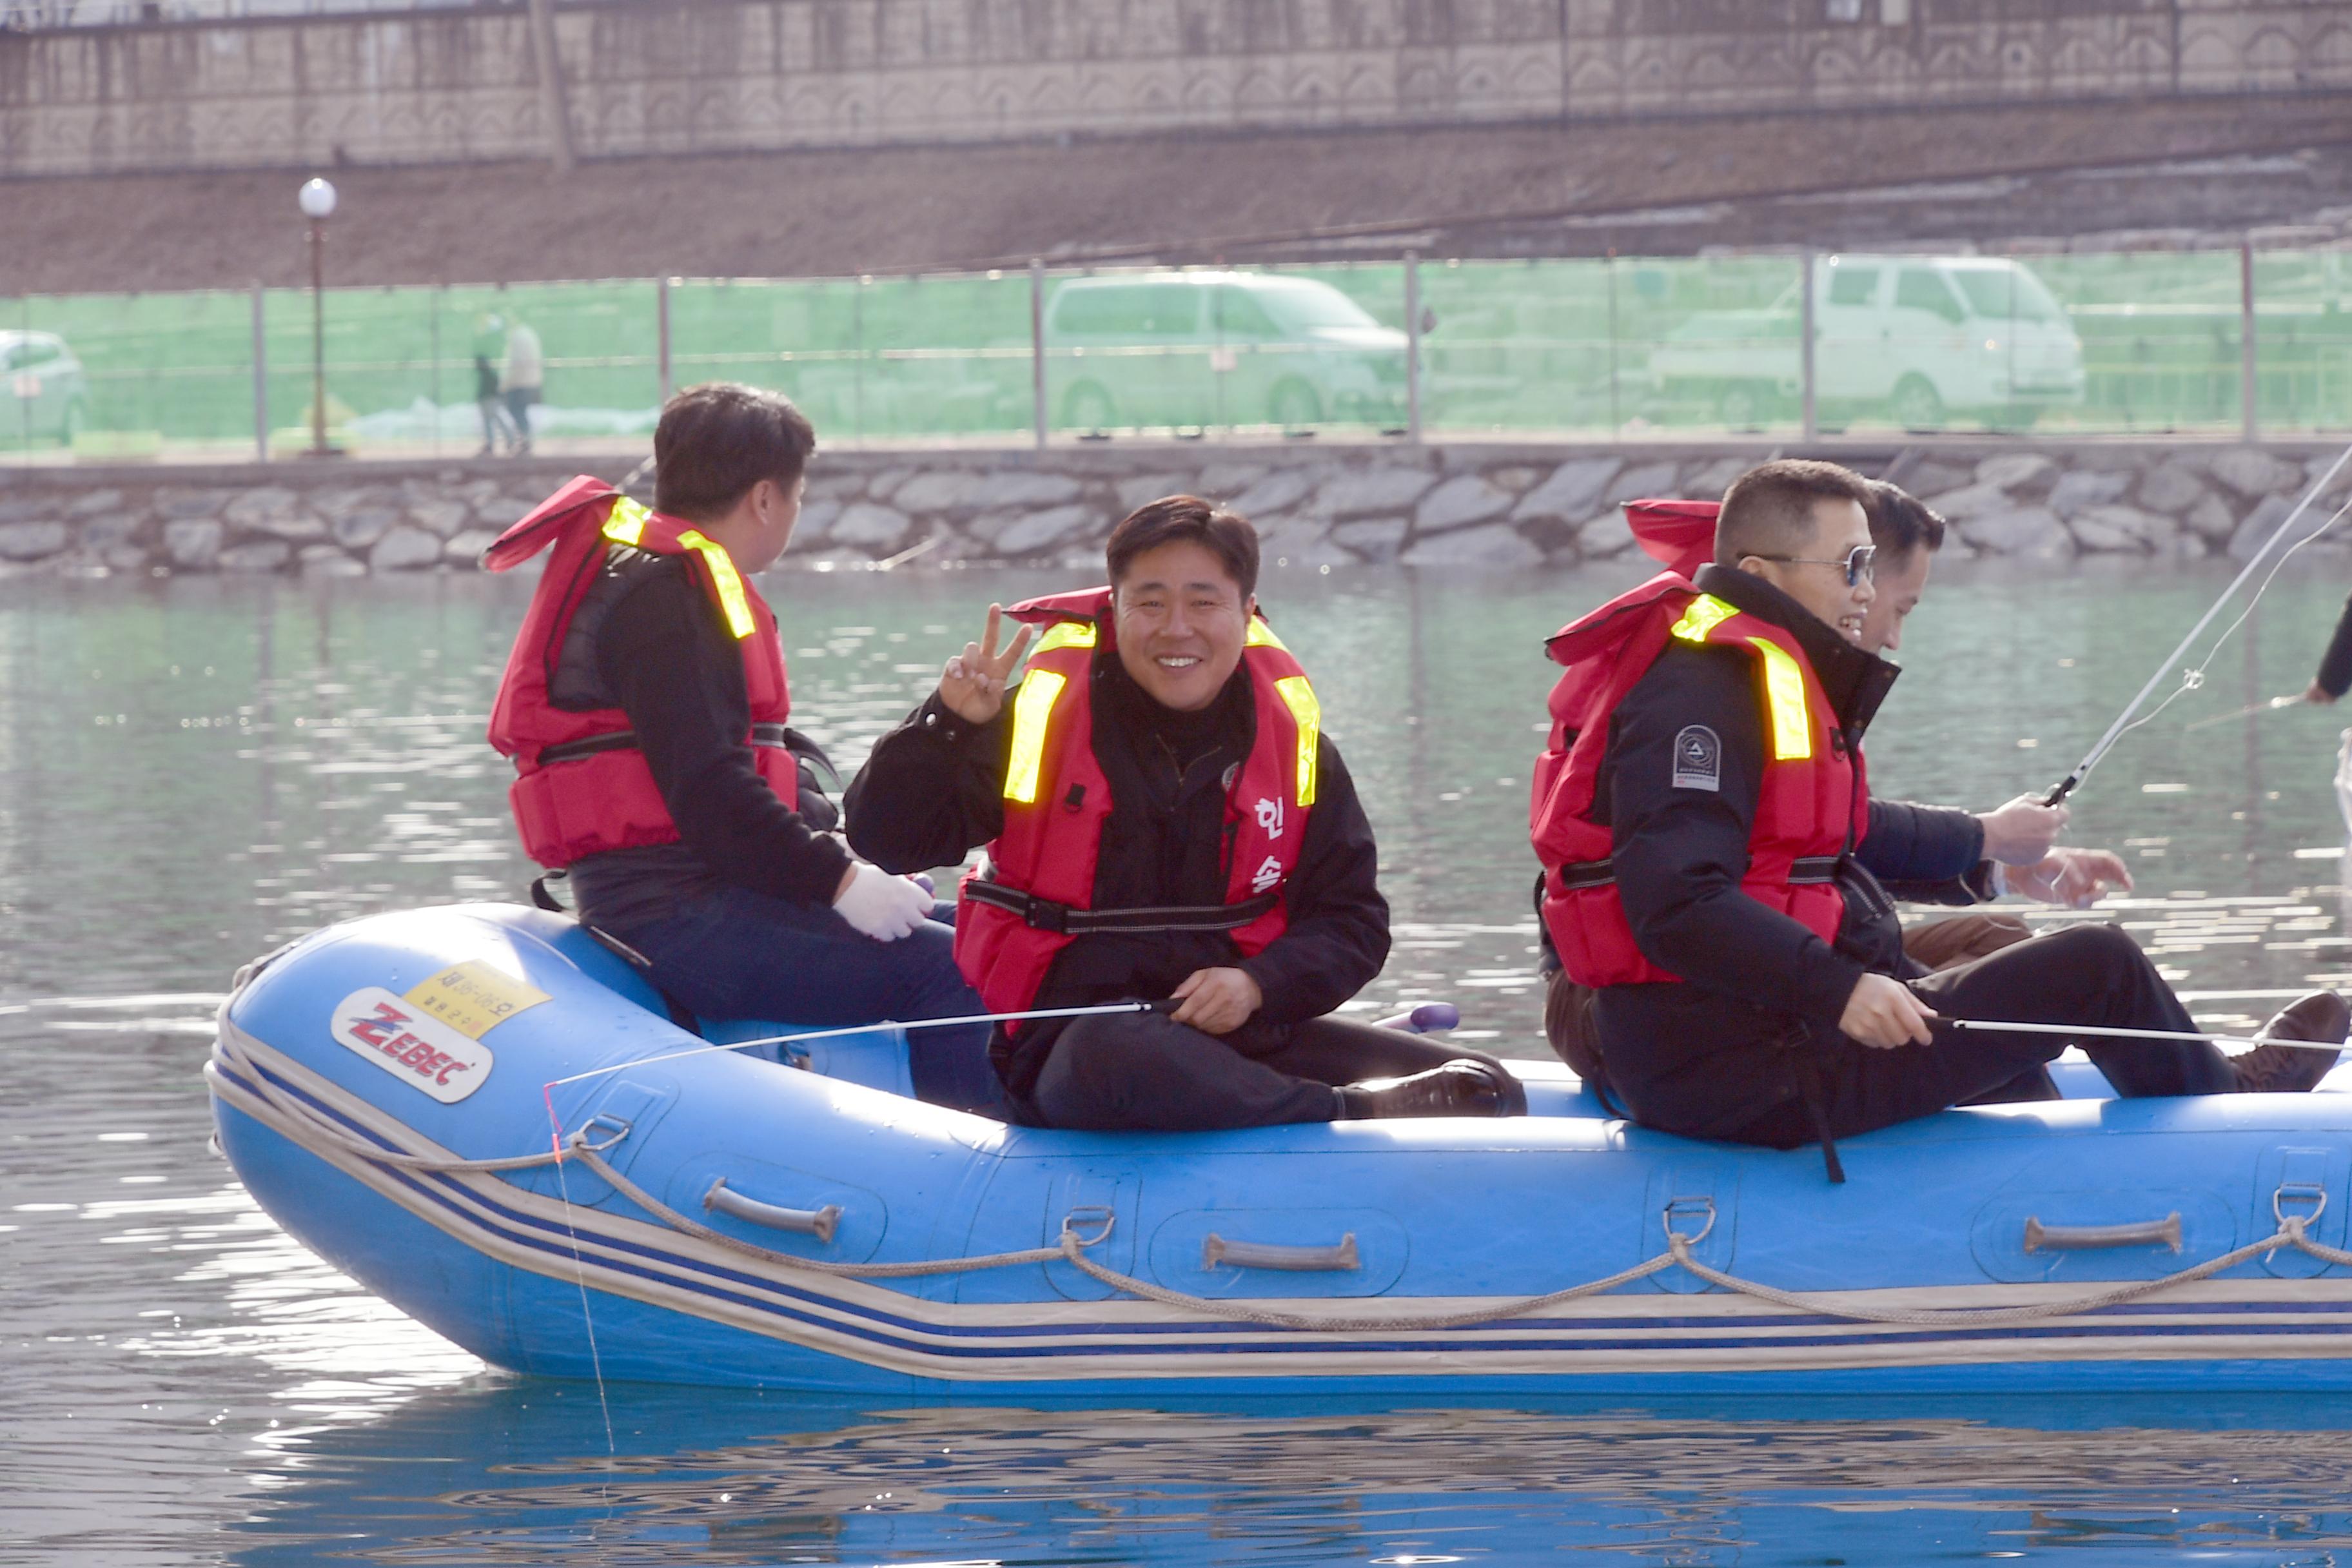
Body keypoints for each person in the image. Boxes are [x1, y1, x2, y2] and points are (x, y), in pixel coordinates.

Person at [1529, 457, 2345, 1179]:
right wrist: (1841, 987)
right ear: (1761, 571)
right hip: (1743, 1069)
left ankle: (2077, 1145)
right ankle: (2228, 1105)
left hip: (1752, 1032)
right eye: (1852, 564)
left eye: (1868, 565)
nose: (1863, 589)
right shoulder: (1701, 691)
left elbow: (1822, 838)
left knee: (2026, 967)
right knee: (2095, 963)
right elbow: (1674, 901)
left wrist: (1981, 861)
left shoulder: (1740, 669)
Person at [845, 495, 1527, 1131]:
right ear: (1115, 609)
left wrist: (1259, 984)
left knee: (1490, 1086)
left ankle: (1304, 1108)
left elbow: (1354, 922)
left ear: (1248, 611)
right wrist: (944, 730)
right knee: (1118, 1052)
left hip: (1247, 1034)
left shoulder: (1295, 745)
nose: (1178, 629)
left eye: (1204, 602)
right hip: (1081, 1049)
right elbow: (889, 842)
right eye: (1151, 602)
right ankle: (1342, 1110)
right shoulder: (1033, 721)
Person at [479, 382, 1000, 1113]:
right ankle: (980, 1174)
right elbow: (709, 793)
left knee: (986, 932)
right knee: (955, 970)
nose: (792, 513)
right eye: (796, 495)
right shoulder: (666, 599)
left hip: (715, 888)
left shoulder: (669, 578)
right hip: (673, 911)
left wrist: (846, 867)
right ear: (764, 497)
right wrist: (842, 883)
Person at [1536, 482, 2117, 1091]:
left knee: (1999, 942)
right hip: (1644, 1004)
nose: (1884, 625)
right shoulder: (1708, 679)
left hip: (1736, 972)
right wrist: (1984, 836)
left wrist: (1994, 867)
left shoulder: (1778, 666)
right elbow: (1687, 893)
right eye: (1898, 605)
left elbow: (1814, 839)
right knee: (2070, 973)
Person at [500, 317, 544, 456]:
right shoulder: (526, 334)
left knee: (517, 411)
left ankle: (524, 441)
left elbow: (515, 362)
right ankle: (524, 440)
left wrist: (506, 382)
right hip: (528, 379)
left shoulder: (518, 336)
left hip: (520, 381)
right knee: (520, 412)